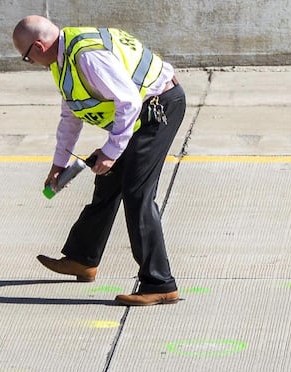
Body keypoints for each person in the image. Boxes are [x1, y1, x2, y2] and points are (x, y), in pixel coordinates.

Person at [13, 16, 186, 306]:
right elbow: (71, 115)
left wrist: (111, 151)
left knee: (137, 194)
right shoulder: (62, 60)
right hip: (138, 115)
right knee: (107, 182)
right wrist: (60, 162)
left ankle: (160, 283)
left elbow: (129, 102)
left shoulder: (87, 58)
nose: (29, 62)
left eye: (26, 57)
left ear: (39, 46)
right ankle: (82, 259)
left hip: (158, 109)